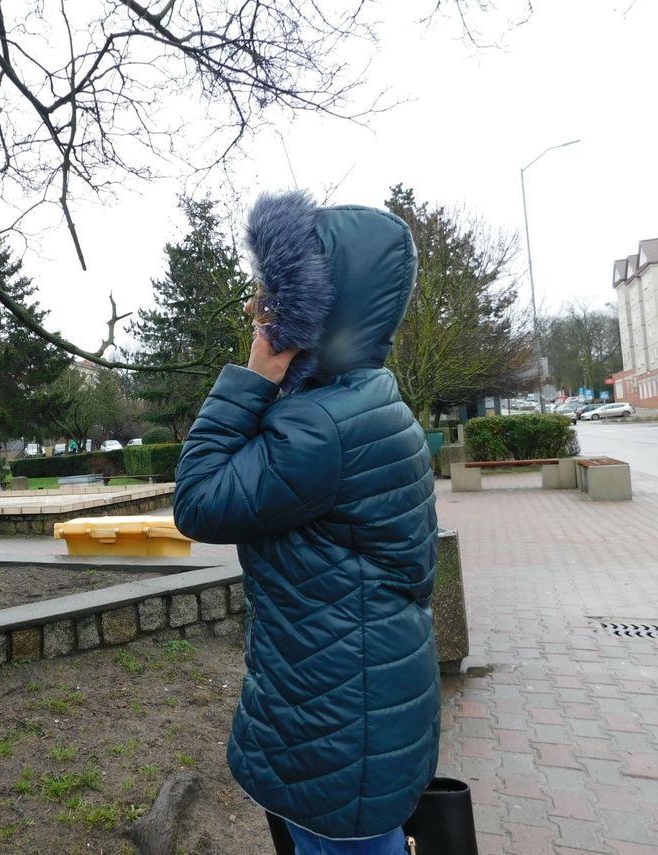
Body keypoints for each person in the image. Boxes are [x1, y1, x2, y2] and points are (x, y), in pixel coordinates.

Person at [174, 192, 440, 855]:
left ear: (320, 310)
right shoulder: (368, 402)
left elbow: (200, 500)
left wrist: (254, 373)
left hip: (336, 722)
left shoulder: (322, 427)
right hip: (360, 704)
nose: (253, 313)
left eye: (270, 302)